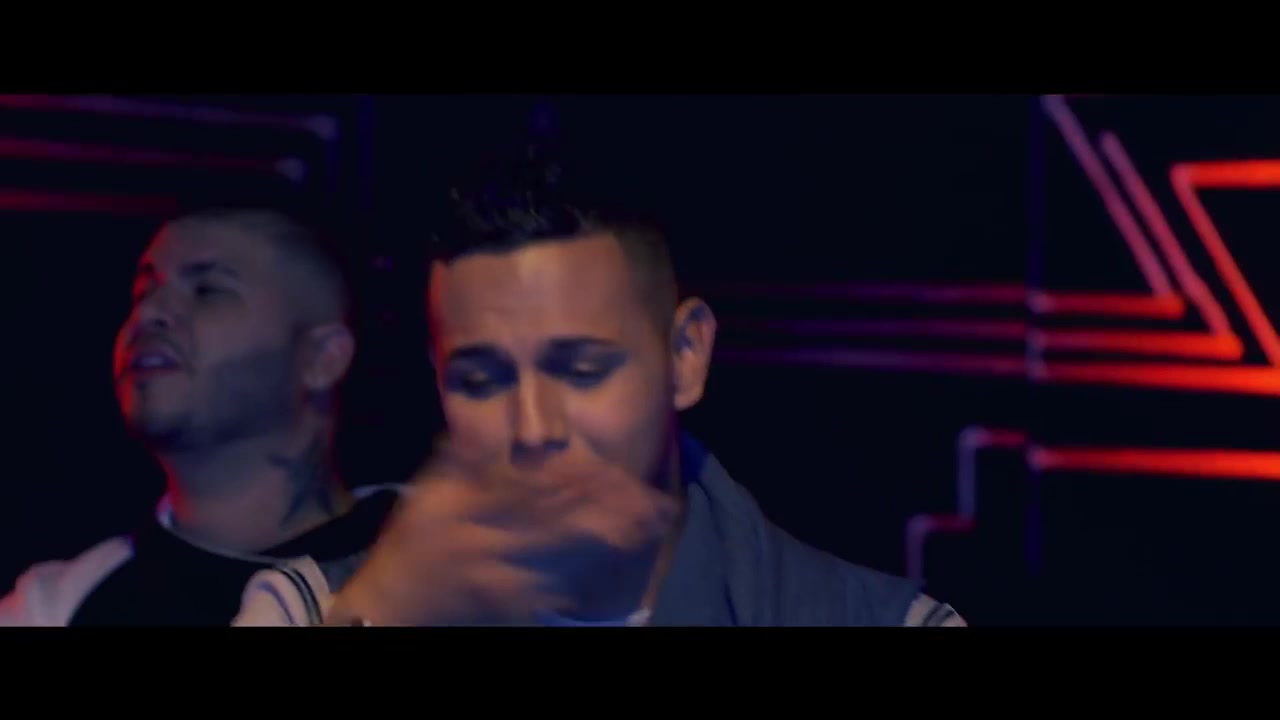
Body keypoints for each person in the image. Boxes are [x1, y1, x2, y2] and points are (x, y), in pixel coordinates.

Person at [235, 147, 967, 627]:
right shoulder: (310, 608)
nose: (533, 428)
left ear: (685, 357)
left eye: (582, 370)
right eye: (480, 380)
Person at [0, 201, 401, 626]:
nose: (148, 314)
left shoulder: (431, 561)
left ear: (322, 358)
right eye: (143, 292)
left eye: (207, 291)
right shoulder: (58, 606)